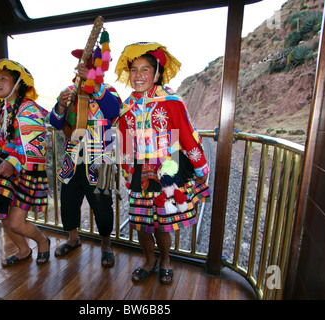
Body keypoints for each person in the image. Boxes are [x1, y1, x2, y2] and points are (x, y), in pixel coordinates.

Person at [115, 42, 211, 284]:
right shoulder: (126, 107)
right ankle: (149, 260)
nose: (138, 75)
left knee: (162, 223)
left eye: (144, 69)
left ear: (157, 73)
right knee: (141, 223)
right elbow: (126, 143)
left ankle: (166, 260)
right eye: (134, 70)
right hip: (140, 169)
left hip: (169, 167)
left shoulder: (171, 101)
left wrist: (201, 168)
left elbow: (187, 136)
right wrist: (127, 172)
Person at [0, 59, 50, 267]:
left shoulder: (28, 109)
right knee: (2, 213)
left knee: (15, 222)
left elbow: (36, 144)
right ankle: (23, 250)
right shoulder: (1, 112)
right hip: (3, 171)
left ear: (17, 84)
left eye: (3, 78)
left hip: (24, 171)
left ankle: (42, 242)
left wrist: (13, 163)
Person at [49, 49, 121, 268]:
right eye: (82, 66)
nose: (83, 69)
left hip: (102, 159)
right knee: (69, 201)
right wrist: (60, 106)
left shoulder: (108, 91)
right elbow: (54, 122)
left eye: (89, 67)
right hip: (73, 157)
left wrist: (95, 86)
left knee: (103, 204)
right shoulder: (68, 91)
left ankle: (106, 244)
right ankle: (73, 238)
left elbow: (114, 110)